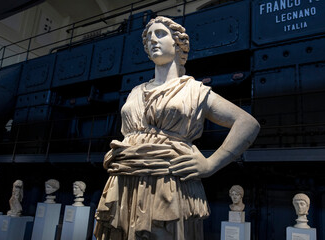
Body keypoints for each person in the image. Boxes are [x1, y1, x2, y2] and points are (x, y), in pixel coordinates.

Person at [94, 16, 260, 240]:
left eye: (161, 34)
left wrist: (210, 164)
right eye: (149, 37)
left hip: (169, 181)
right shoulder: (135, 91)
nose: (153, 39)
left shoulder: (194, 90)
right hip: (125, 180)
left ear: (178, 43)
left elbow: (247, 124)